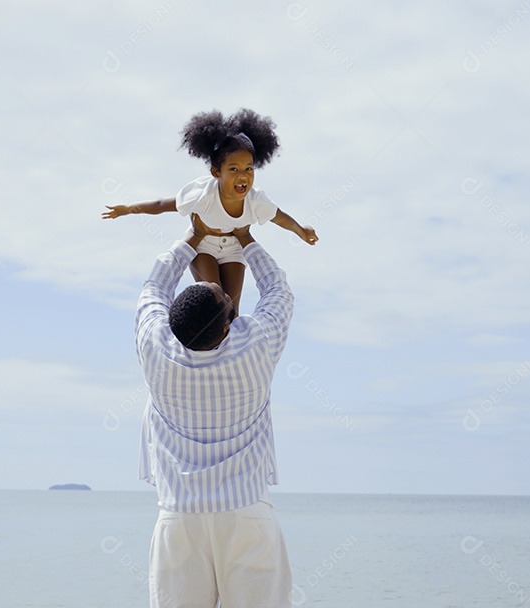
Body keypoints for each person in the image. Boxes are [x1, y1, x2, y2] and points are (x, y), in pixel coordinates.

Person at [136, 213, 294, 608]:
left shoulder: (155, 347)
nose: (228, 293)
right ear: (227, 328)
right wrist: (246, 239)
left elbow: (154, 288)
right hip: (246, 515)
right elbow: (278, 291)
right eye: (229, 302)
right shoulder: (255, 347)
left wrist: (192, 237)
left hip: (179, 516)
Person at [103, 108, 317, 312]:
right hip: (201, 245)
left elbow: (279, 218)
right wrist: (128, 209)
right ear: (216, 172)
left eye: (248, 168)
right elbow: (162, 205)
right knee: (215, 306)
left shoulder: (256, 199)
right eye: (233, 169)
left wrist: (301, 230)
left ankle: (230, 348)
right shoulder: (202, 194)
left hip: (234, 249)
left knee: (232, 310)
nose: (243, 175)